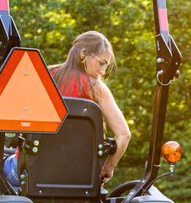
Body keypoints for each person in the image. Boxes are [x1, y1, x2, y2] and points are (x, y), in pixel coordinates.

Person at [50, 31, 131, 184]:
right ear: (83, 55)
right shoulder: (96, 87)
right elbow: (124, 135)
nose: (103, 71)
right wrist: (108, 167)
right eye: (101, 63)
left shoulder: (45, 74)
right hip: (79, 179)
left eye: (106, 66)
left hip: (34, 175)